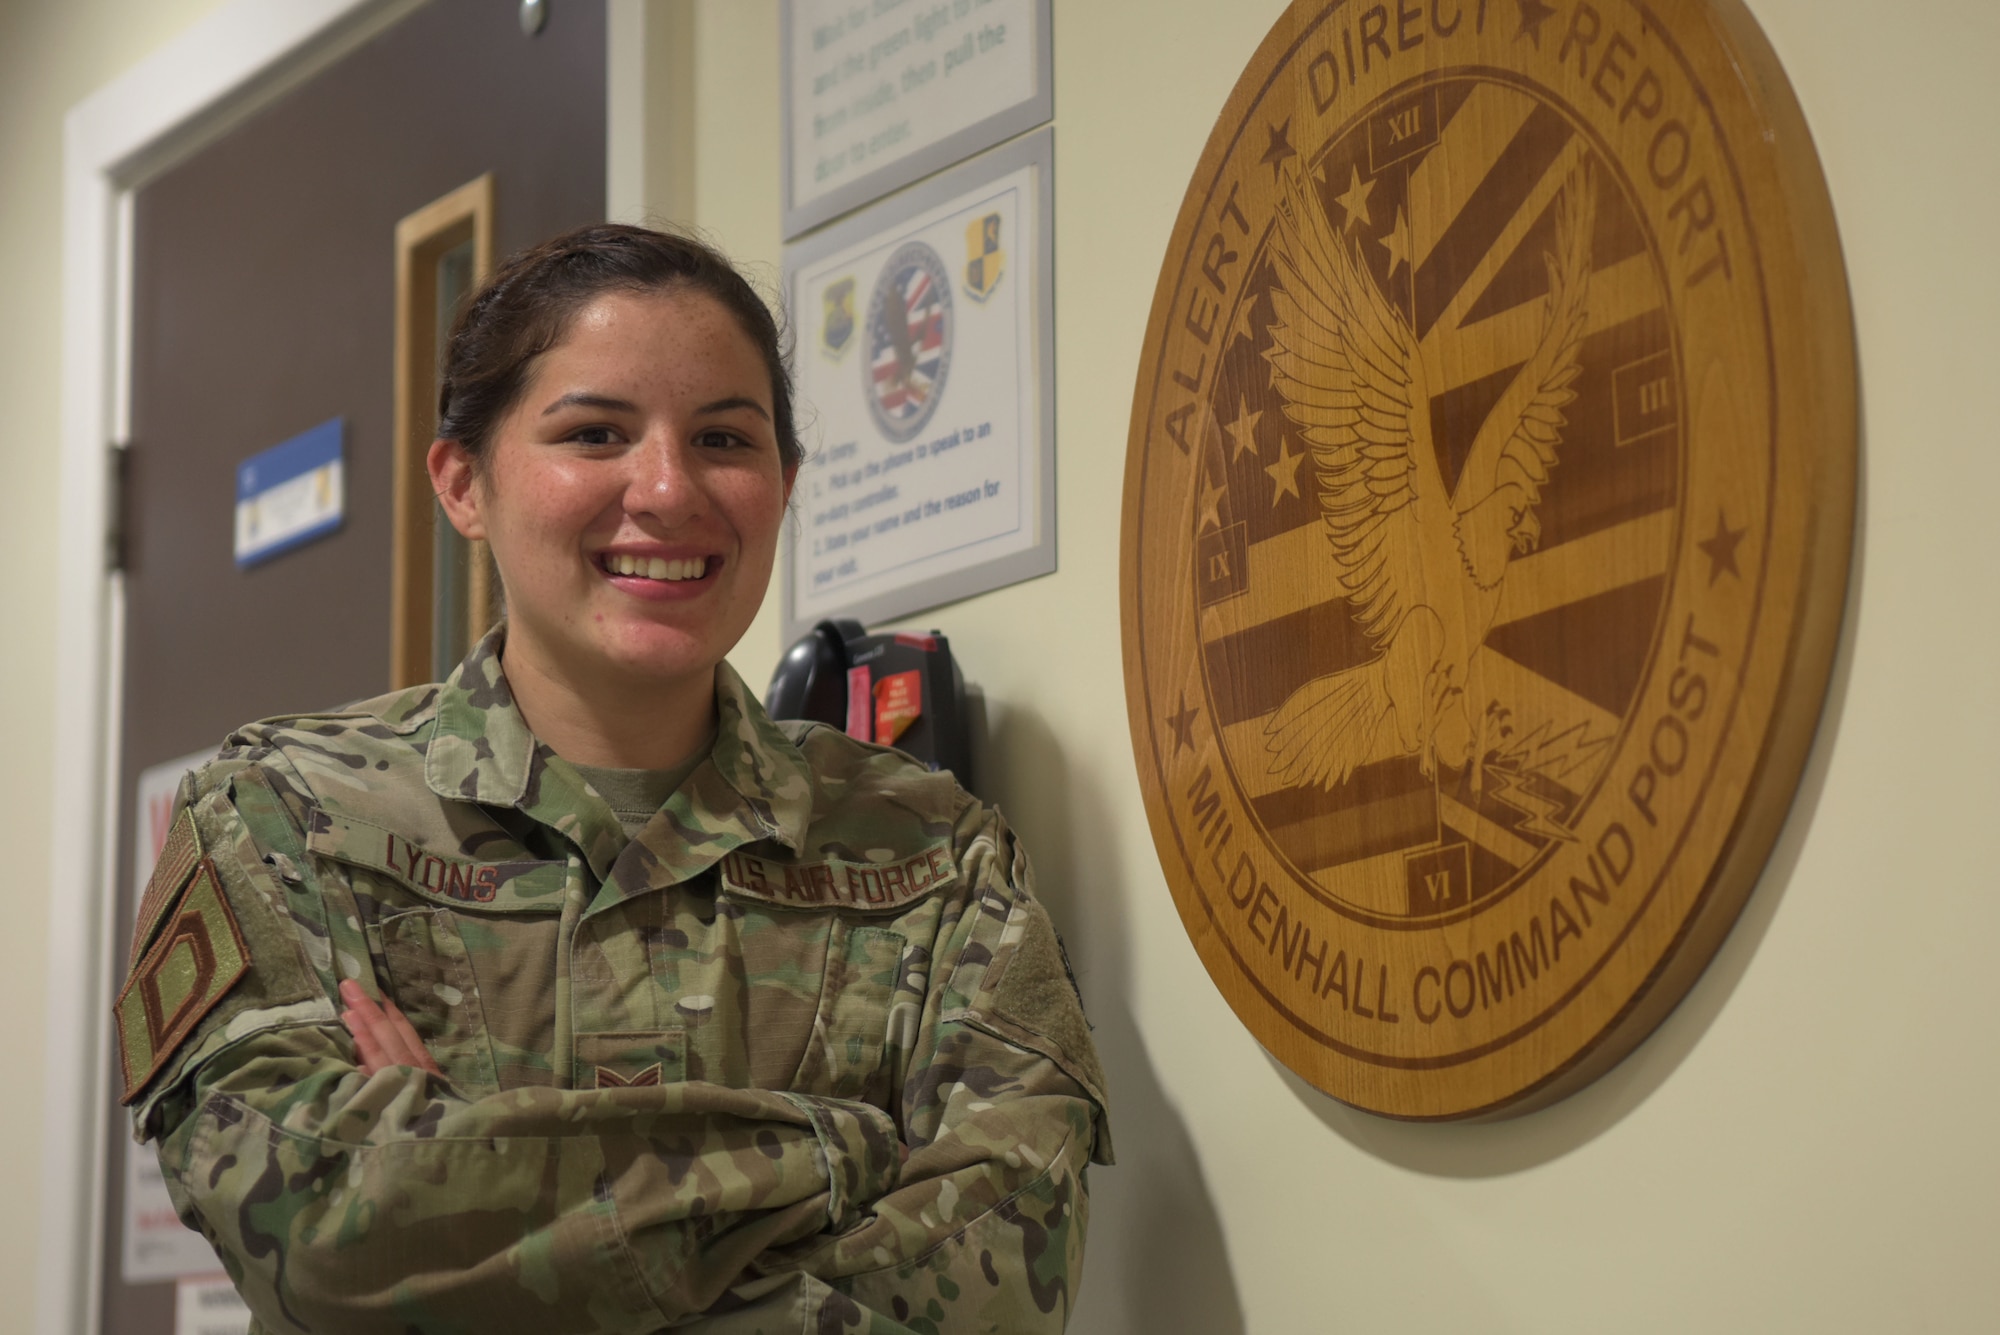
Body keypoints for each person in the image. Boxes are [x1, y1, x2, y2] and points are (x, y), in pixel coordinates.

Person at [114, 224, 1111, 1334]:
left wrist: (464, 1156)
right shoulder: (285, 816)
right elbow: (313, 1225)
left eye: (724, 439)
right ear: (463, 484)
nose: (667, 488)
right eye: (594, 433)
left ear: (783, 483)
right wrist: (838, 1154)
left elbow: (996, 1278)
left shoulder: (931, 852)